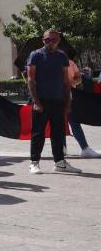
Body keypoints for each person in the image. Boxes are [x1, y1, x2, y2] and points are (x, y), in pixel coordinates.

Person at [26, 29, 80, 174]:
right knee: (38, 133)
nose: (50, 42)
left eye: (54, 40)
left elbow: (66, 81)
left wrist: (67, 101)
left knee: (58, 133)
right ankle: (34, 162)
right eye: (47, 39)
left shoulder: (62, 56)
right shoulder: (35, 55)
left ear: (58, 40)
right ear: (43, 40)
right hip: (41, 100)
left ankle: (60, 163)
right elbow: (30, 79)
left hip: (58, 99)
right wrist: (36, 101)